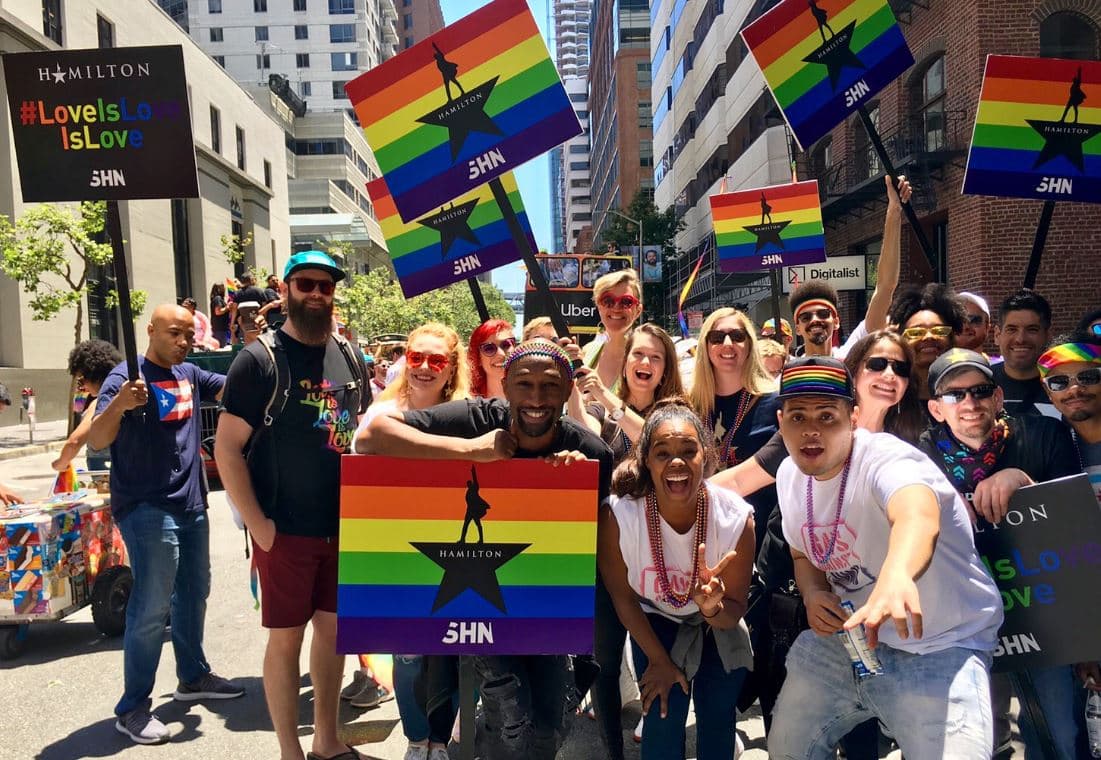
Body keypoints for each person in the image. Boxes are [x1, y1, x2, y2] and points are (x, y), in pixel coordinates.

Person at [359, 340, 613, 760]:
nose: (535, 398)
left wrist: (569, 487)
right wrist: (471, 451)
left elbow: (596, 549)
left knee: (549, 726)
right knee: (508, 710)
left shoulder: (590, 452)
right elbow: (371, 436)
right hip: (473, 605)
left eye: (549, 387)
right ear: (505, 387)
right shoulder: (474, 418)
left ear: (567, 388)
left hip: (546, 607)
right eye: (524, 385)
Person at [766, 356, 1003, 759]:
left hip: (939, 646)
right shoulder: (791, 474)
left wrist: (897, 575)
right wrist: (811, 593)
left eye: (827, 416)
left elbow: (917, 512)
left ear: (854, 417)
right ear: (780, 420)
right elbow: (801, 551)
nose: (811, 430)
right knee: (787, 751)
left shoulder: (887, 458)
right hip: (847, 643)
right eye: (798, 416)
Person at [215, 251, 369, 760]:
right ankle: (290, 752)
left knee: (332, 638)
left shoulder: (348, 356)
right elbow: (227, 448)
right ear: (286, 289)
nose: (317, 294)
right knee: (286, 643)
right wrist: (259, 525)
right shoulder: (258, 360)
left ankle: (327, 740)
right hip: (284, 531)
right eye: (306, 284)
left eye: (326, 286)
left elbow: (358, 434)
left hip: (342, 528)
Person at [88, 304, 244, 746]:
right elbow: (98, 440)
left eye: (188, 337)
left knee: (195, 591)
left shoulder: (189, 374)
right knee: (152, 606)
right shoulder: (124, 378)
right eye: (174, 334)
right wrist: (119, 404)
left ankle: (192, 676)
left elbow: (238, 384)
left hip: (191, 503)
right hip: (146, 507)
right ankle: (133, 708)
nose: (182, 342)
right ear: (151, 330)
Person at [920, 348, 1086, 758]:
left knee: (1060, 734)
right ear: (937, 409)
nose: (970, 403)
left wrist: (1022, 480)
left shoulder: (1043, 435)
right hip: (962, 622)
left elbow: (1076, 528)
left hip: (1041, 615)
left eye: (980, 391)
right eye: (955, 395)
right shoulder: (918, 457)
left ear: (997, 397)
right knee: (970, 740)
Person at [600, 400, 755, 759]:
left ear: (706, 456)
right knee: (662, 717)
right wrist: (659, 661)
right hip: (653, 623)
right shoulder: (620, 516)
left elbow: (732, 612)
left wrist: (712, 607)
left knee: (718, 719)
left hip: (717, 626)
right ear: (646, 461)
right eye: (662, 452)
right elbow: (623, 599)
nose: (676, 462)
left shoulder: (735, 519)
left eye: (689, 450)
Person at [345, 322, 470, 757]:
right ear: (405, 359)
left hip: (457, 550)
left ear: (450, 368)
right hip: (398, 551)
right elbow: (364, 444)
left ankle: (443, 740)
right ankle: (418, 741)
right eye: (416, 357)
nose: (424, 367)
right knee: (409, 653)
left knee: (455, 649)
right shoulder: (382, 411)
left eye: (436, 360)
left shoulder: (466, 412)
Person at [569, 323, 685, 757]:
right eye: (639, 354)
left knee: (654, 657)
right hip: (607, 556)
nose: (645, 364)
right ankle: (612, 750)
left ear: (665, 368)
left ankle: (658, 743)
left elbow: (656, 440)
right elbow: (584, 433)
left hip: (660, 558)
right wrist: (575, 388)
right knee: (604, 656)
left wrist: (607, 398)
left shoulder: (674, 411)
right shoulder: (602, 408)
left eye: (655, 357)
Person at [789, 176, 910, 358]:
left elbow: (885, 287)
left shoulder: (850, 358)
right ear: (797, 328)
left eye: (823, 314)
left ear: (836, 321)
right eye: (806, 317)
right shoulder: (786, 377)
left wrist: (894, 210)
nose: (815, 320)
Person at [1040, 332, 1101, 503]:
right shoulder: (1044, 445)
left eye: (1088, 377)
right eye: (1059, 381)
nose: (1074, 389)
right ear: (1048, 392)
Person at [53, 339, 123, 473]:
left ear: (93, 375)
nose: (82, 387)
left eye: (81, 380)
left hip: (107, 477)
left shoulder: (101, 403)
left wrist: (60, 464)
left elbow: (74, 442)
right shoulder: (129, 396)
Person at [887, 282, 965, 402]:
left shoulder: (967, 391)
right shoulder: (887, 395)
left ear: (952, 338)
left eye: (939, 331)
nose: (929, 336)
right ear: (899, 340)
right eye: (916, 332)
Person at [993, 288, 1054, 416]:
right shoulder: (979, 385)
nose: (1020, 339)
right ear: (997, 335)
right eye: (1012, 329)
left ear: (1048, 335)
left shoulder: (1065, 385)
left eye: (1032, 330)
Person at [583, 269, 644, 391]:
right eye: (608, 301)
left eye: (626, 302)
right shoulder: (586, 352)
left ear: (638, 310)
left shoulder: (645, 360)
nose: (616, 308)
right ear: (599, 306)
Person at [469, 318, 516, 399]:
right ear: (478, 358)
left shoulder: (531, 395)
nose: (500, 354)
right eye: (489, 348)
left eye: (506, 345)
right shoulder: (467, 399)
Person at [209, 282, 231, 348]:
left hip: (220, 328)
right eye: (223, 287)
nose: (224, 289)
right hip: (220, 329)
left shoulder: (217, 299)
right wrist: (227, 307)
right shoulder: (218, 298)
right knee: (221, 347)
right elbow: (218, 312)